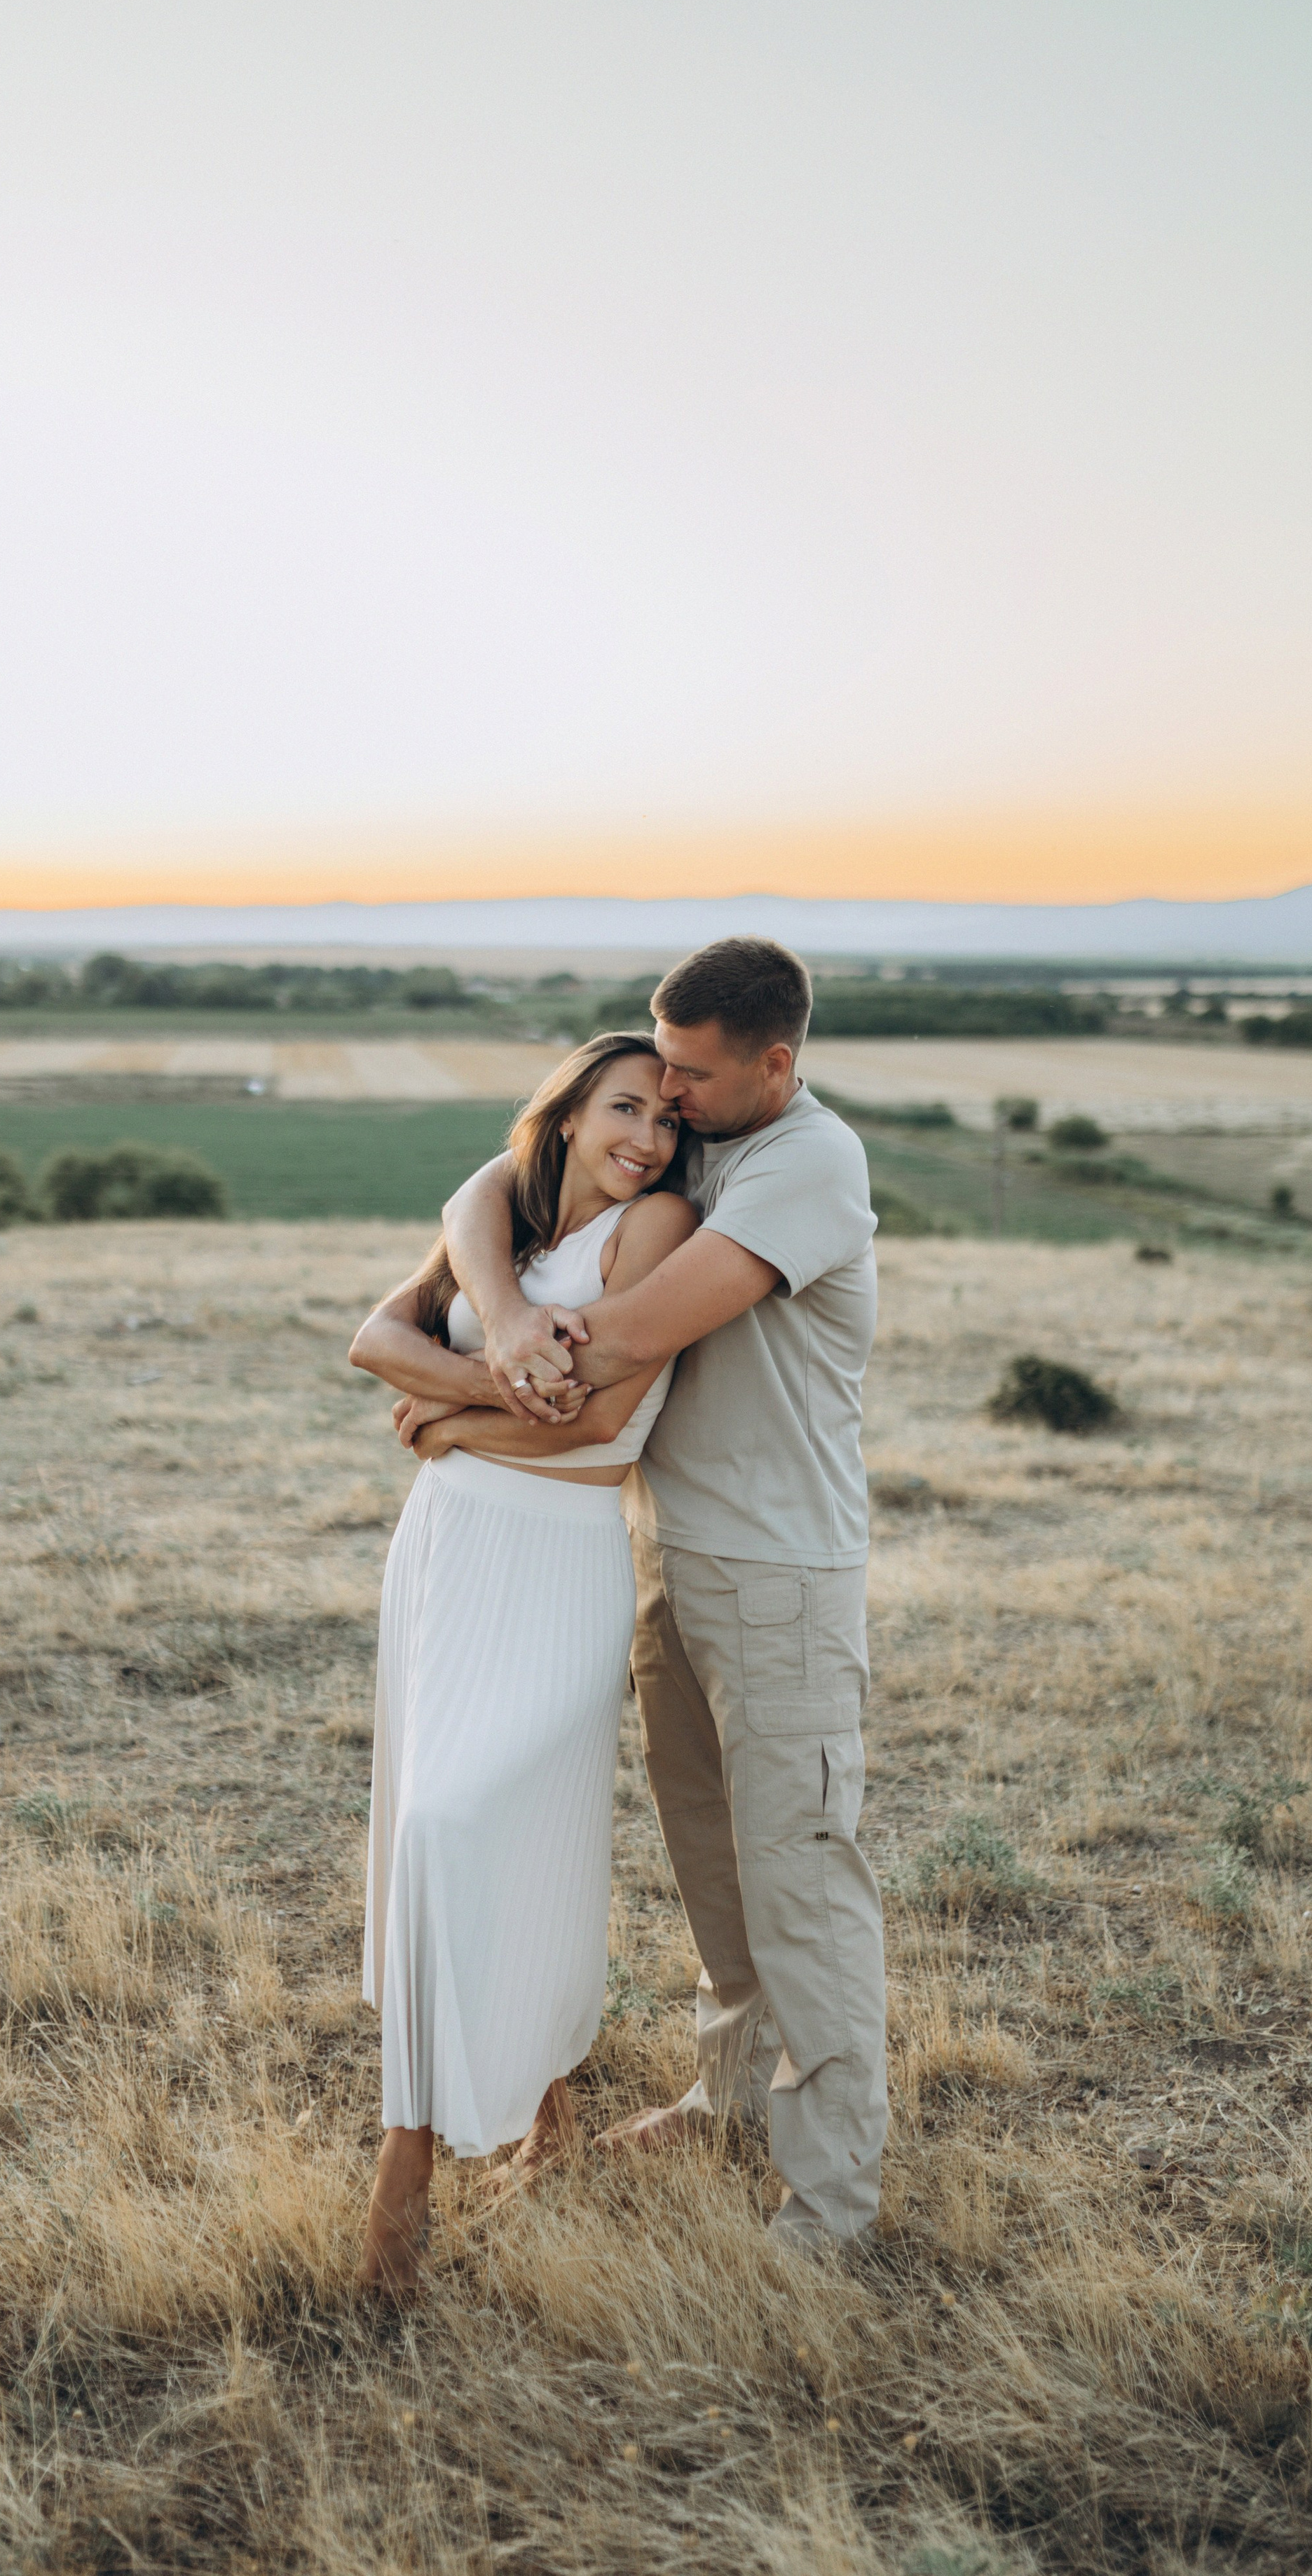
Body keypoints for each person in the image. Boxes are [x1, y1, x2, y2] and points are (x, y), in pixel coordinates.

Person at [439, 936, 885, 2258]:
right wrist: (505, 1308)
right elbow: (492, 1181)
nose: (669, 1096)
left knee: (800, 1880)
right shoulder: (703, 1137)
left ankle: (832, 2205)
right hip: (662, 1556)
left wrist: (461, 1387)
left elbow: (630, 1337)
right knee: (713, 1866)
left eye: (692, 1072)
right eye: (660, 1068)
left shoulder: (808, 1161)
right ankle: (730, 2098)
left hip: (779, 1576)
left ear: (776, 1063)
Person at [347, 1034, 697, 2296]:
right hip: (447, 1548)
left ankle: (405, 2169)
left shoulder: (652, 1229)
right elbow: (371, 1340)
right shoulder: (496, 1206)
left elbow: (600, 1417)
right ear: (565, 1110)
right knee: (483, 1832)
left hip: (558, 1559)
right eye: (624, 1108)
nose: (649, 1139)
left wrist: (442, 1415)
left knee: (466, 1825)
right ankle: (545, 2118)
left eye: (666, 1119)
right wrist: (476, 1368)